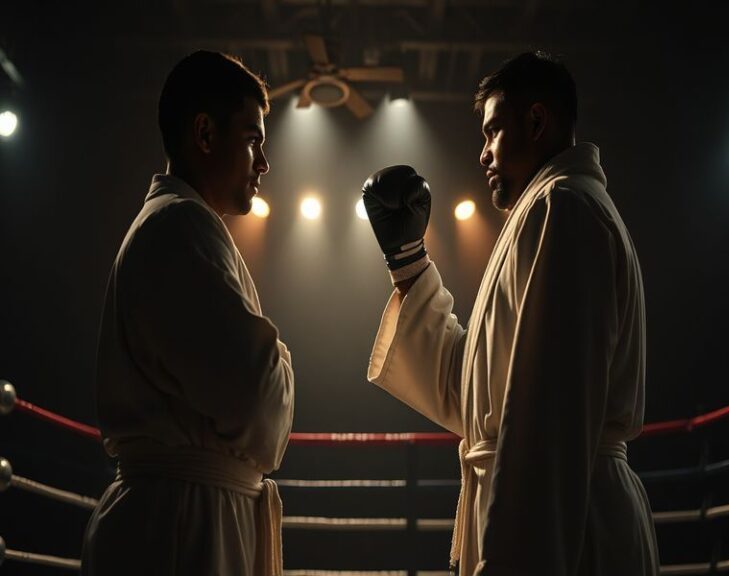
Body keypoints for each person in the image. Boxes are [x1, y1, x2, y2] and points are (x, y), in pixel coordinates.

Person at [362, 51, 658, 576]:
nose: (483, 154)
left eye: (493, 131)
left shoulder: (565, 209)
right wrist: (408, 264)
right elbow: (476, 398)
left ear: (538, 122)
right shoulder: (548, 210)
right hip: (558, 513)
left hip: (565, 528)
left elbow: (546, 422)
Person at [81, 51, 294, 576]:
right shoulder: (179, 229)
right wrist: (281, 362)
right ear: (204, 133)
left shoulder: (179, 226)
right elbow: (258, 407)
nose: (263, 162)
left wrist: (274, 359)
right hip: (182, 527)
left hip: (182, 515)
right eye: (252, 139)